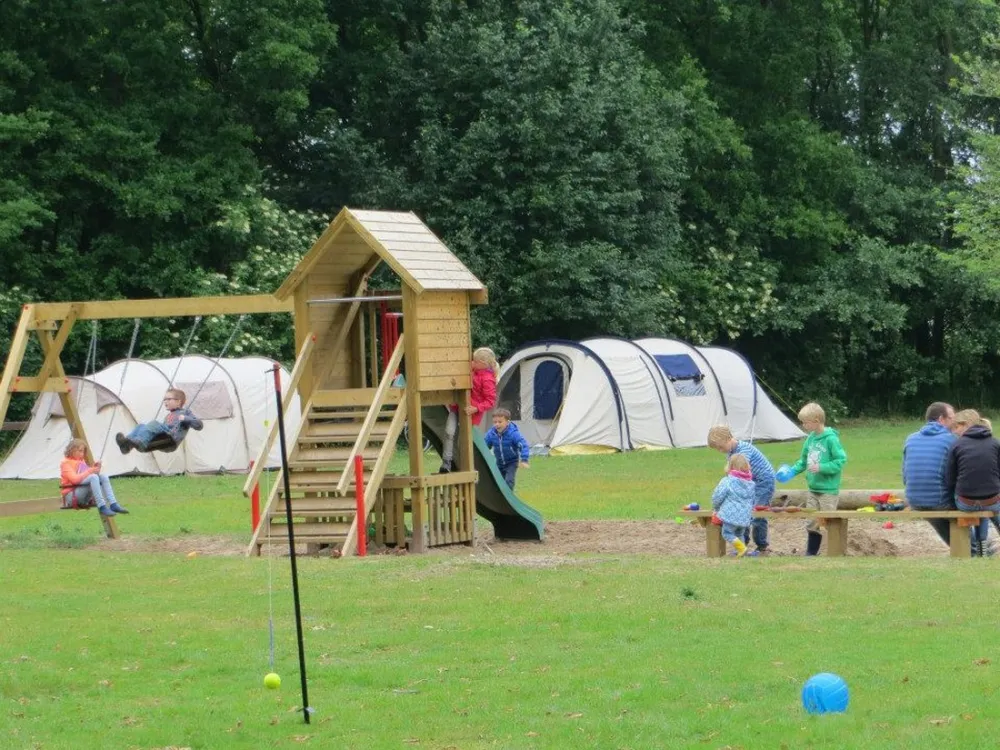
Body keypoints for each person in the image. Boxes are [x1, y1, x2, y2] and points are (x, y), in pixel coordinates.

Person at [786, 402, 847, 556]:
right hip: (813, 489)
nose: (803, 425)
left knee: (828, 521)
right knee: (812, 522)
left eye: (805, 422)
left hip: (828, 490)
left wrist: (822, 467)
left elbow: (840, 461)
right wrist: (791, 471)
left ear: (816, 421)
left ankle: (834, 552)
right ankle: (811, 553)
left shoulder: (831, 439)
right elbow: (803, 461)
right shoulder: (810, 439)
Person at [707, 425, 775, 554]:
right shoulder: (731, 452)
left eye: (721, 447)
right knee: (745, 510)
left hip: (763, 481)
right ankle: (742, 544)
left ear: (728, 439)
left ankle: (762, 546)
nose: (720, 450)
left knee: (757, 512)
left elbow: (738, 471)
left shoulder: (743, 450)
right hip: (750, 482)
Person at [901, 402, 957, 547]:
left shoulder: (910, 438)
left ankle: (965, 547)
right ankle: (971, 548)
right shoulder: (951, 440)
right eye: (952, 418)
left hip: (914, 500)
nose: (954, 423)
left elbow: (905, 476)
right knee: (970, 504)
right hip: (939, 502)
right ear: (941, 419)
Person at [945, 408, 1000, 555]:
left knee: (976, 504)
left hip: (965, 503)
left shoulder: (957, 445)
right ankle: (984, 545)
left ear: (965, 425)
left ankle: (978, 548)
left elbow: (949, 479)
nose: (954, 432)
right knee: (988, 505)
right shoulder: (995, 443)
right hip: (992, 501)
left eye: (956, 427)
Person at [439, 347, 498, 473]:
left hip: (471, 413)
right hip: (456, 408)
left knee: (463, 440)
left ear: (482, 363)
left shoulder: (487, 379)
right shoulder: (472, 370)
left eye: (474, 361)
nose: (472, 363)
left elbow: (490, 401)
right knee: (449, 432)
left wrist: (476, 408)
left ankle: (462, 465)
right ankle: (446, 463)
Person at [116, 388, 203, 454]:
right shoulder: (168, 416)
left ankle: (139, 441)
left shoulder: (185, 412)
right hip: (162, 439)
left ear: (178, 401)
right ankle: (127, 444)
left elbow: (199, 425)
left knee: (154, 423)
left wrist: (185, 418)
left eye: (169, 399)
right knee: (141, 426)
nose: (165, 401)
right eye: (164, 399)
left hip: (171, 440)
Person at [59, 439, 129, 517]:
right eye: (80, 451)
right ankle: (102, 506)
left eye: (83, 451)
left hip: (82, 493)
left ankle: (113, 504)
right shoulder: (65, 463)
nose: (82, 454)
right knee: (93, 477)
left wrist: (94, 469)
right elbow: (75, 480)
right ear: (72, 449)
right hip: (72, 496)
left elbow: (86, 476)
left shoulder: (81, 461)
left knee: (103, 476)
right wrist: (90, 471)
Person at [710, 453, 755, 558]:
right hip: (745, 516)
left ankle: (742, 549)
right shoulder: (750, 484)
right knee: (739, 534)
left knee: (727, 533)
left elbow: (717, 496)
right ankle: (741, 552)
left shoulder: (727, 481)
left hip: (730, 515)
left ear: (730, 466)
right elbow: (752, 500)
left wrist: (716, 508)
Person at [484, 407, 530, 490]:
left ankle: (509, 499)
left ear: (507, 422)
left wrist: (524, 459)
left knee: (509, 481)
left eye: (500, 422)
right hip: (499, 462)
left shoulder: (513, 434)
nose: (497, 424)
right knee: (497, 481)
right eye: (495, 422)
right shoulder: (491, 434)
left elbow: (523, 445)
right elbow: (485, 445)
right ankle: (499, 498)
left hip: (511, 462)